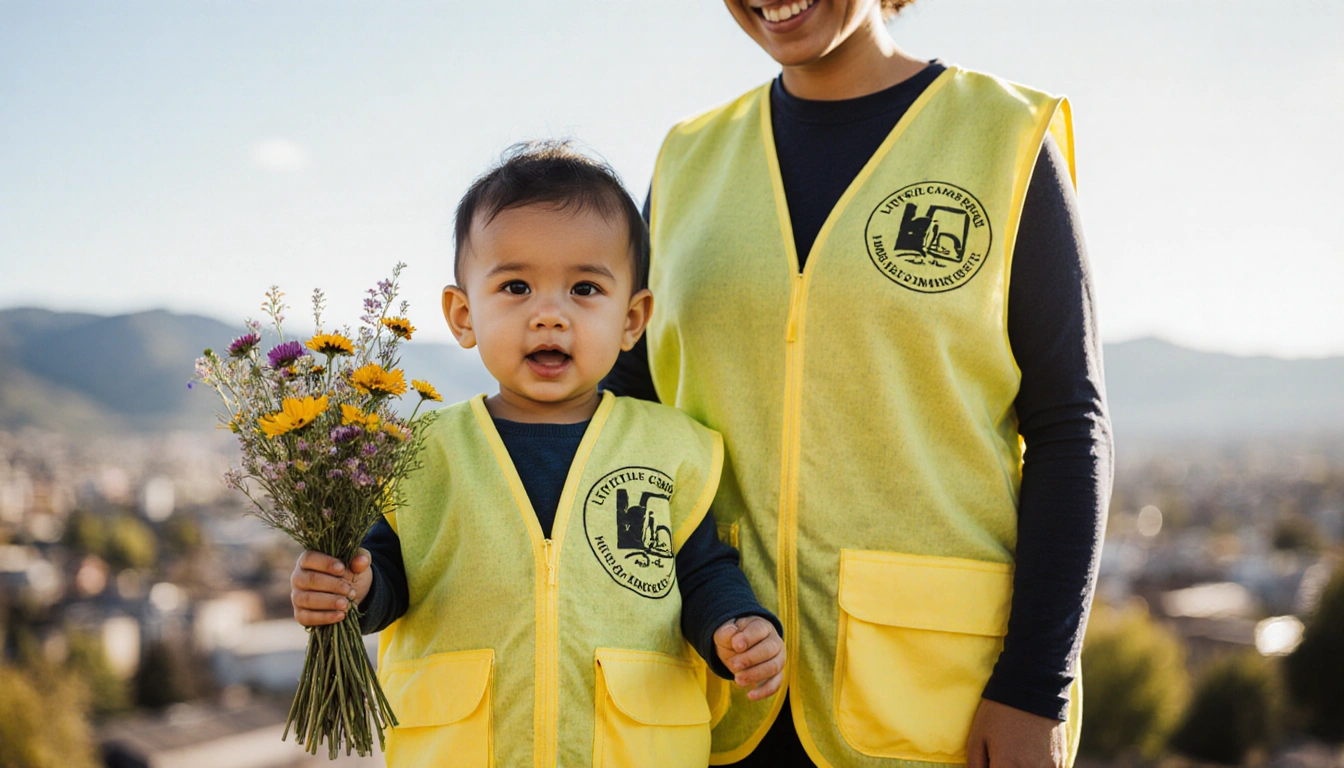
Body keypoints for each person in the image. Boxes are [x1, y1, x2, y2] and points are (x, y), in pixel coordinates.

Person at [601, 1, 1113, 766]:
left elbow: (1070, 428)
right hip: (705, 691)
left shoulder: (1002, 137)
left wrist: (1037, 687)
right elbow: (622, 412)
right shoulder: (686, 159)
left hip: (936, 704)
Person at [288, 142, 786, 767]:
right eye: (516, 286)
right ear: (463, 315)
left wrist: (735, 628)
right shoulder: (419, 455)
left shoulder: (669, 449)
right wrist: (350, 590)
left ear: (633, 320)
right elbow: (386, 577)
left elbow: (702, 572)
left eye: (584, 288)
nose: (549, 315)